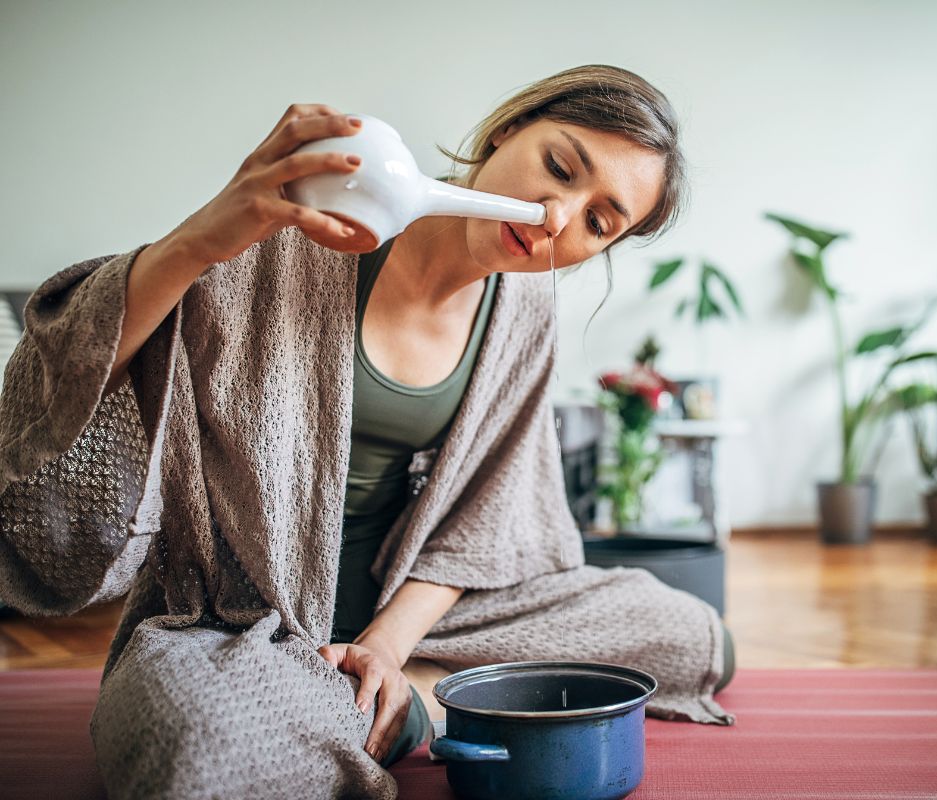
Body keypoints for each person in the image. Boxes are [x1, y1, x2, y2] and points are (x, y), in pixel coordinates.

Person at [0, 65, 733, 800]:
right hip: (236, 616)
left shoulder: (525, 312)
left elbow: (487, 515)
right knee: (198, 753)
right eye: (559, 167)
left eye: (599, 223)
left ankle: (394, 688)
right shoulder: (300, 234)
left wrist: (386, 646)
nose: (555, 217)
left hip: (414, 613)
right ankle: (409, 707)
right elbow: (67, 379)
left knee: (693, 637)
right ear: (507, 131)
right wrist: (201, 240)